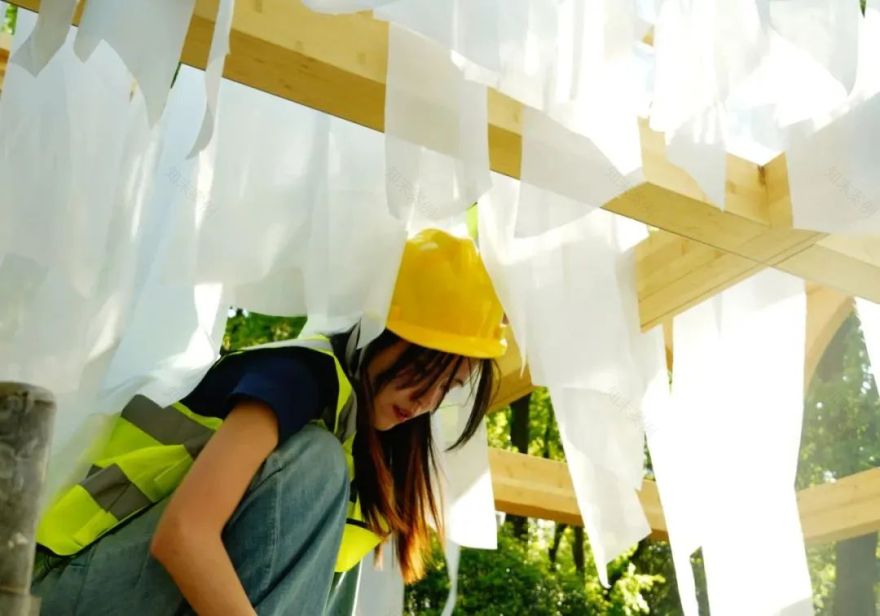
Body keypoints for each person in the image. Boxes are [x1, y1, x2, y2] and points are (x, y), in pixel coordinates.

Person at [31, 228, 507, 615]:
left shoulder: (361, 452)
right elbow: (183, 536)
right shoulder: (298, 378)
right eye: (420, 371)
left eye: (448, 388)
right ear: (377, 332)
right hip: (64, 584)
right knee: (320, 463)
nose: (425, 400)